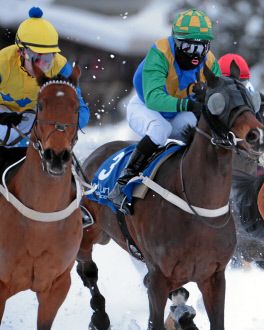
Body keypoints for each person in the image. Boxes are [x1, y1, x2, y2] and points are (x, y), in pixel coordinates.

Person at [108, 9, 222, 214]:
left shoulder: (210, 61)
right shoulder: (159, 53)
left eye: (201, 47)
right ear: (175, 41)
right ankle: (123, 182)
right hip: (145, 107)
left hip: (176, 113)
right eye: (188, 46)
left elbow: (220, 96)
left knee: (201, 132)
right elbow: (153, 99)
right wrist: (188, 104)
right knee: (160, 129)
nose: (195, 54)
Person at [0, 7, 89, 162]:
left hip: (36, 130)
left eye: (48, 58)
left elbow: (82, 114)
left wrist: (52, 123)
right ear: (21, 52)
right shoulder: (2, 63)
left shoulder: (61, 67)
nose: (42, 65)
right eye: (36, 58)